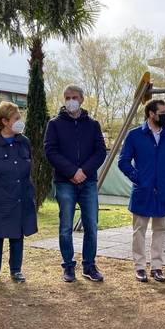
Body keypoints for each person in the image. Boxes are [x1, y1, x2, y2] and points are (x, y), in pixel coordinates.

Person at [44, 84, 107, 283]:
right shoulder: (54, 124)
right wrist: (71, 171)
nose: (71, 100)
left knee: (91, 225)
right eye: (67, 97)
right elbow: (50, 151)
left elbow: (100, 151)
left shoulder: (93, 124)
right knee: (65, 226)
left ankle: (89, 265)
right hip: (64, 182)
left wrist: (84, 172)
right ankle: (68, 266)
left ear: (81, 99)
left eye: (74, 97)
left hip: (88, 182)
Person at [118, 99, 165, 283]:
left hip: (163, 191)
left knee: (160, 229)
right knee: (139, 230)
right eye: (162, 112)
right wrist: (138, 178)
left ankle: (157, 267)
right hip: (142, 191)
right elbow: (123, 161)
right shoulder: (135, 135)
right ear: (151, 114)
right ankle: (139, 267)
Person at [0, 102, 37, 283]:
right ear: (4, 121)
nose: (20, 121)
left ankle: (16, 270)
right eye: (16, 118)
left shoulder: (24, 142)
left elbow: (29, 166)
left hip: (20, 197)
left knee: (17, 235)